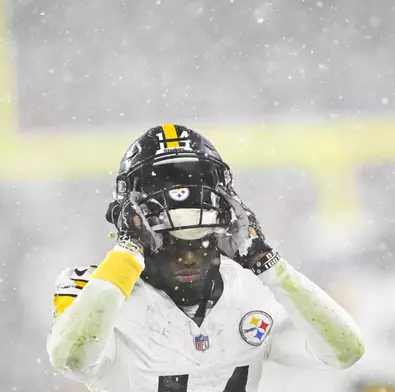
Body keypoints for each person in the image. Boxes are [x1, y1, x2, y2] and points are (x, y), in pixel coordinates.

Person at [46, 124, 365, 392]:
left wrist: (266, 260)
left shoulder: (254, 288)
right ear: (140, 233)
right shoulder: (91, 287)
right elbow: (72, 359)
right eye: (170, 242)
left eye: (201, 242)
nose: (187, 257)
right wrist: (128, 253)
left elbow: (344, 352)